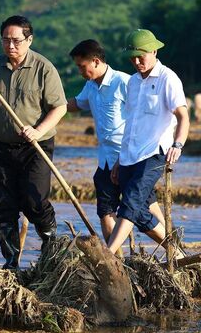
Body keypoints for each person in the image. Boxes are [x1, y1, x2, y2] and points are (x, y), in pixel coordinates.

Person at [0, 15, 67, 269]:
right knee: (3, 206)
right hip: (2, 147)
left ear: (29, 40)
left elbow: (60, 108)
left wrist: (38, 130)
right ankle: (11, 262)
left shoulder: (44, 68)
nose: (10, 46)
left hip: (36, 147)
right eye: (5, 40)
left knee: (34, 201)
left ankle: (50, 249)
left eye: (16, 41)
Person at [66, 39, 165, 244]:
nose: (80, 71)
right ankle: (115, 263)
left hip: (130, 157)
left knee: (141, 209)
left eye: (81, 66)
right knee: (105, 211)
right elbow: (76, 103)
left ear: (95, 61)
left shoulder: (125, 82)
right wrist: (50, 104)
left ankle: (173, 248)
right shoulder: (90, 86)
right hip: (105, 159)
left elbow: (142, 117)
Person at [108, 29, 190, 256]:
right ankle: (178, 254)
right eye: (132, 57)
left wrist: (178, 145)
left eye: (140, 56)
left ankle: (106, 255)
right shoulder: (132, 82)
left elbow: (182, 116)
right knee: (140, 212)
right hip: (130, 155)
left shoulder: (168, 78)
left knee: (131, 204)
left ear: (154, 51)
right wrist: (119, 159)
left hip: (155, 152)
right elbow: (131, 123)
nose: (136, 62)